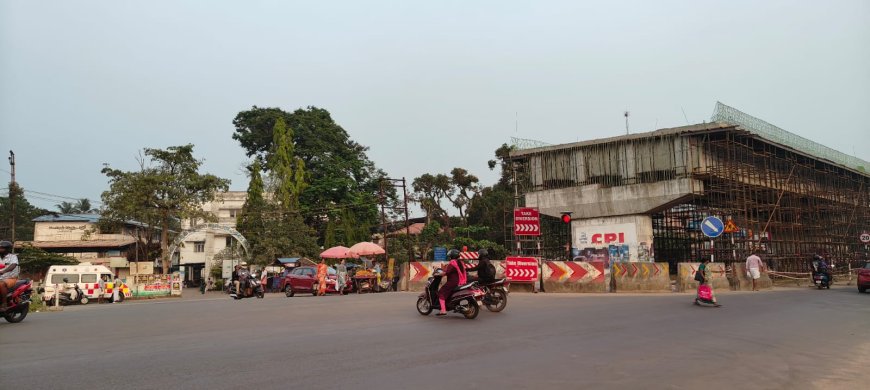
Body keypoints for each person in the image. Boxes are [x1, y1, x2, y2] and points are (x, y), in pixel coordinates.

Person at [437, 249, 468, 316]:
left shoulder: (453, 262)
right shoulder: (460, 262)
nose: (449, 257)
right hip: (460, 281)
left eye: (450, 256)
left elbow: (447, 272)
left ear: (452, 256)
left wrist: (439, 274)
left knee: (441, 292)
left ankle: (443, 310)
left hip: (452, 282)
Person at [0, 240, 20, 312]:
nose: (0, 249)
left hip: (10, 278)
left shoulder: (13, 257)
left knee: (1, 284)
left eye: (2, 248)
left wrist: (4, 271)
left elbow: (13, 265)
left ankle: (4, 303)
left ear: (7, 249)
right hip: (0, 278)